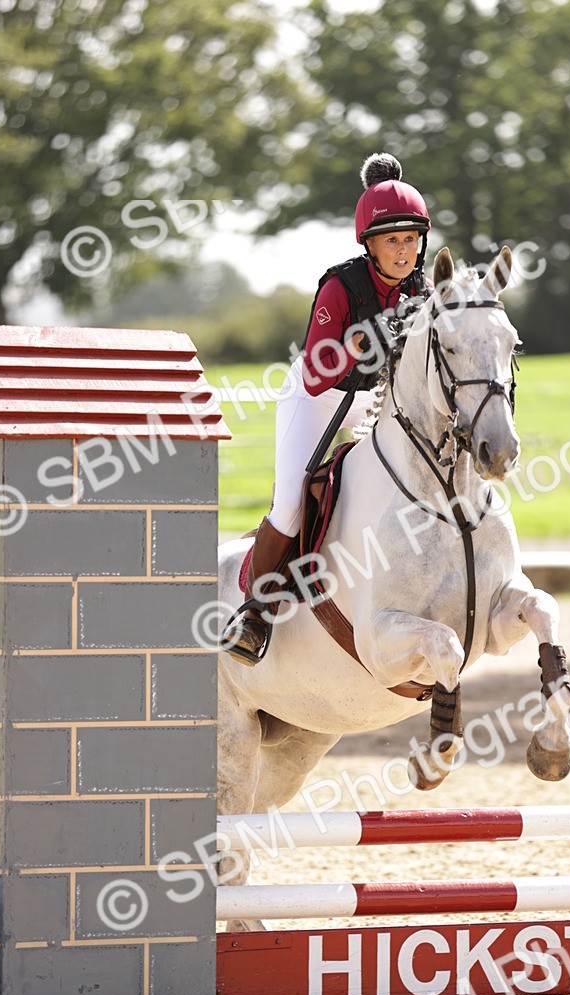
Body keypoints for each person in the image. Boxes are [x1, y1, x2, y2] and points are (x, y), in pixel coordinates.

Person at [226, 152, 432, 662]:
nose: (404, 251)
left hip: (371, 399)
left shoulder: (421, 289)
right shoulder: (340, 287)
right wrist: (362, 345)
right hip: (316, 398)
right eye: (393, 240)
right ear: (370, 244)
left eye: (411, 239)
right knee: (294, 501)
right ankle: (254, 611)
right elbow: (318, 373)